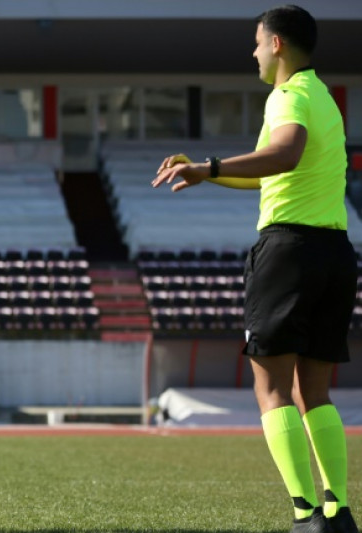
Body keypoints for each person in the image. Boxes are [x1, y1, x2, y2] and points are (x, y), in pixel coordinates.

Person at [152, 6, 357, 533]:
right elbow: (277, 170)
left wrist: (210, 167)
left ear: (278, 45)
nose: (254, 52)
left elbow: (283, 154)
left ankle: (304, 514)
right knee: (314, 390)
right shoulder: (325, 101)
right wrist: (207, 174)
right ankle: (338, 512)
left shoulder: (286, 96)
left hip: (288, 252)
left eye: (257, 42)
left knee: (271, 389)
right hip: (336, 251)